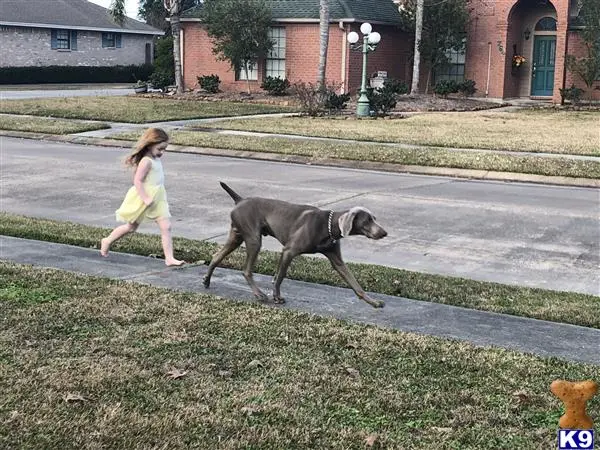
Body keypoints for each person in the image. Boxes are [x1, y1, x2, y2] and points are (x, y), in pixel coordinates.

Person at [100, 127, 185, 266]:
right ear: (150, 145)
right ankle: (107, 240)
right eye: (160, 149)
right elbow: (137, 181)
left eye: (164, 149)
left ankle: (169, 258)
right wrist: (145, 197)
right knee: (131, 227)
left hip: (158, 197)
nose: (162, 152)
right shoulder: (146, 161)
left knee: (166, 226)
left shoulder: (155, 159)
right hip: (144, 198)